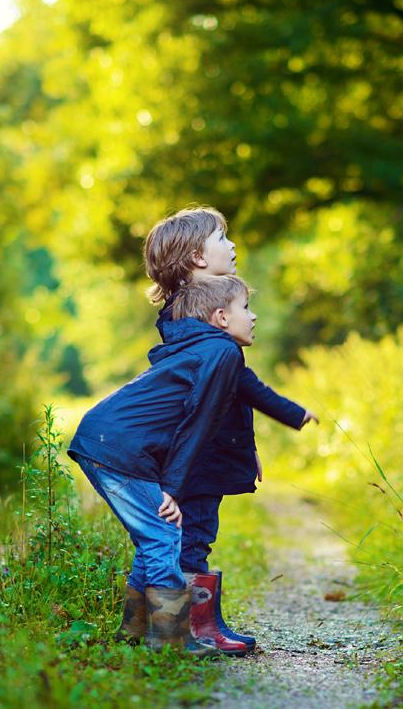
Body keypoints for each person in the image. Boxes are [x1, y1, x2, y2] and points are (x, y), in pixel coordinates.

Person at [141, 206, 318, 656]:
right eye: (223, 238)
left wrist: (248, 446)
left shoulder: (190, 318)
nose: (233, 245)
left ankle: (176, 628)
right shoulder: (198, 324)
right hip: (192, 456)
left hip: (203, 452)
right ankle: (181, 633)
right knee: (190, 539)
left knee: (192, 537)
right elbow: (233, 387)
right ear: (197, 258)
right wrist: (292, 414)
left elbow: (229, 395)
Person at [68, 275, 256, 655]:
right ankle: (171, 639)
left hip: (106, 443)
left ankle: (132, 632)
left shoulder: (200, 352)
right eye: (247, 309)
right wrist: (171, 487)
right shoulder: (216, 353)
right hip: (115, 448)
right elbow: (194, 428)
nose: (253, 317)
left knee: (152, 536)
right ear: (220, 317)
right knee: (163, 534)